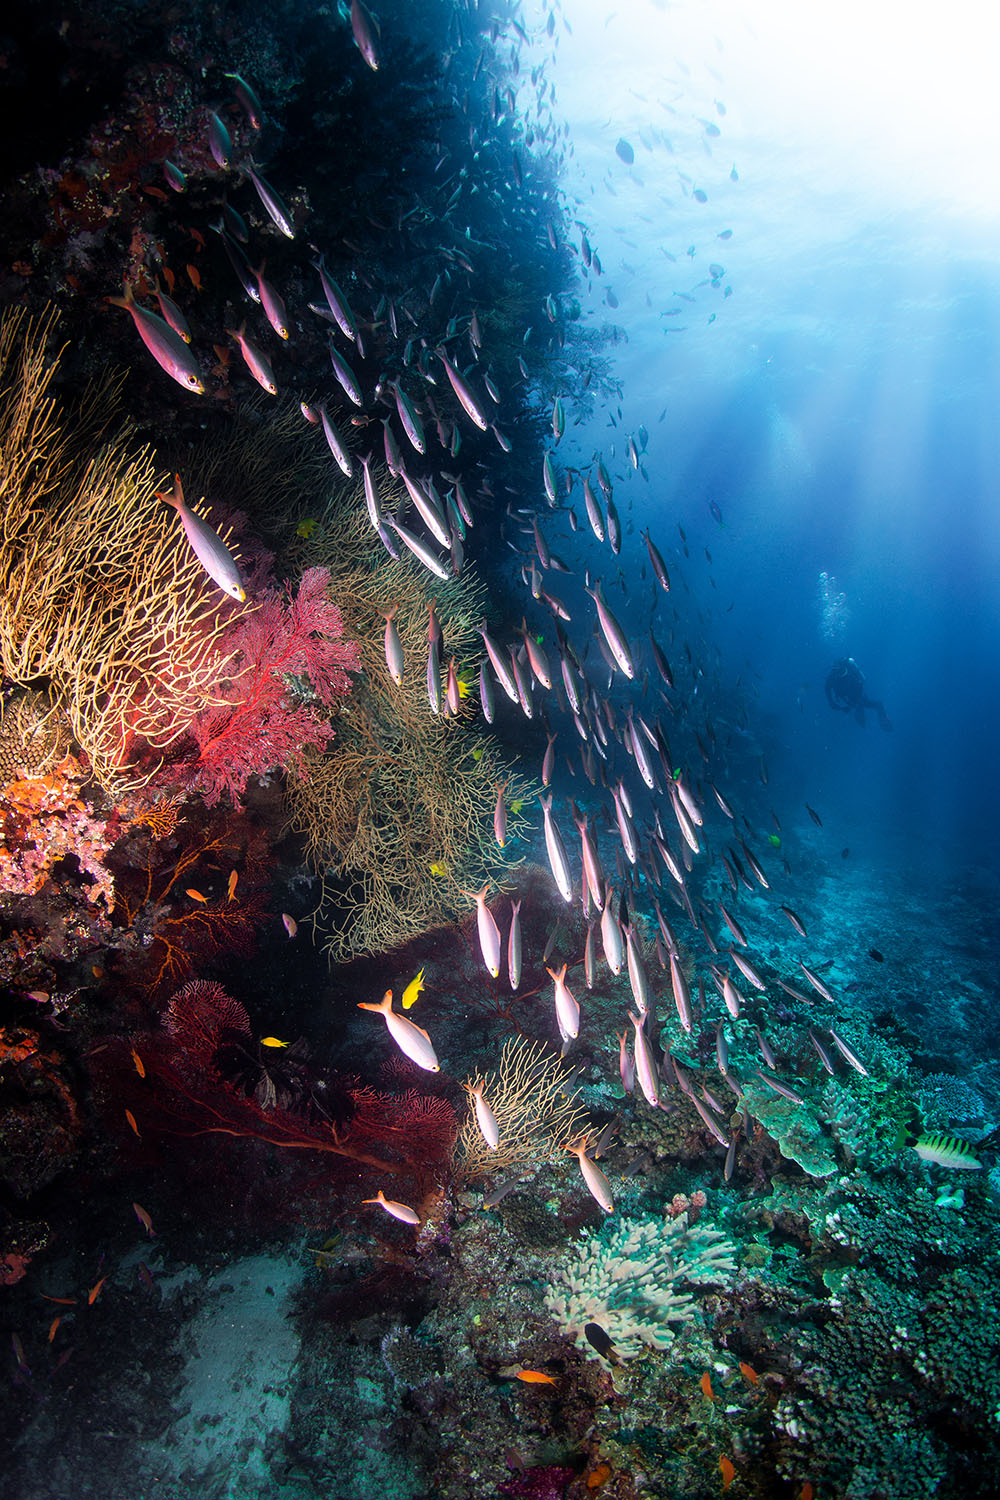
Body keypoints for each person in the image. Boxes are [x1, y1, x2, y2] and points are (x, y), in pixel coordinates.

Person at [824, 657, 892, 730]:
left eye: (839, 671)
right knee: (861, 709)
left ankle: (883, 722)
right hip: (848, 699)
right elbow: (827, 689)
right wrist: (832, 702)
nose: (838, 673)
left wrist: (857, 700)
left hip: (858, 696)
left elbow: (861, 682)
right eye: (835, 671)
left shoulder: (851, 672)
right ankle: (867, 722)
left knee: (867, 706)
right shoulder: (832, 677)